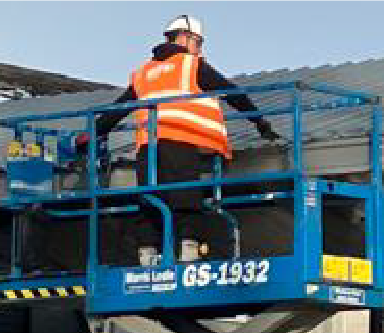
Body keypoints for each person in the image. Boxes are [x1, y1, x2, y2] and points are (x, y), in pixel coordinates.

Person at [90, 15, 280, 264]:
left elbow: (117, 110)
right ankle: (188, 254)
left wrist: (91, 134)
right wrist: (260, 122)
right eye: (198, 42)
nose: (200, 49)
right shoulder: (191, 65)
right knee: (186, 199)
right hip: (180, 142)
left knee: (150, 200)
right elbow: (232, 92)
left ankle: (147, 255)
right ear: (185, 38)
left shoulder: (144, 73)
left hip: (148, 148)